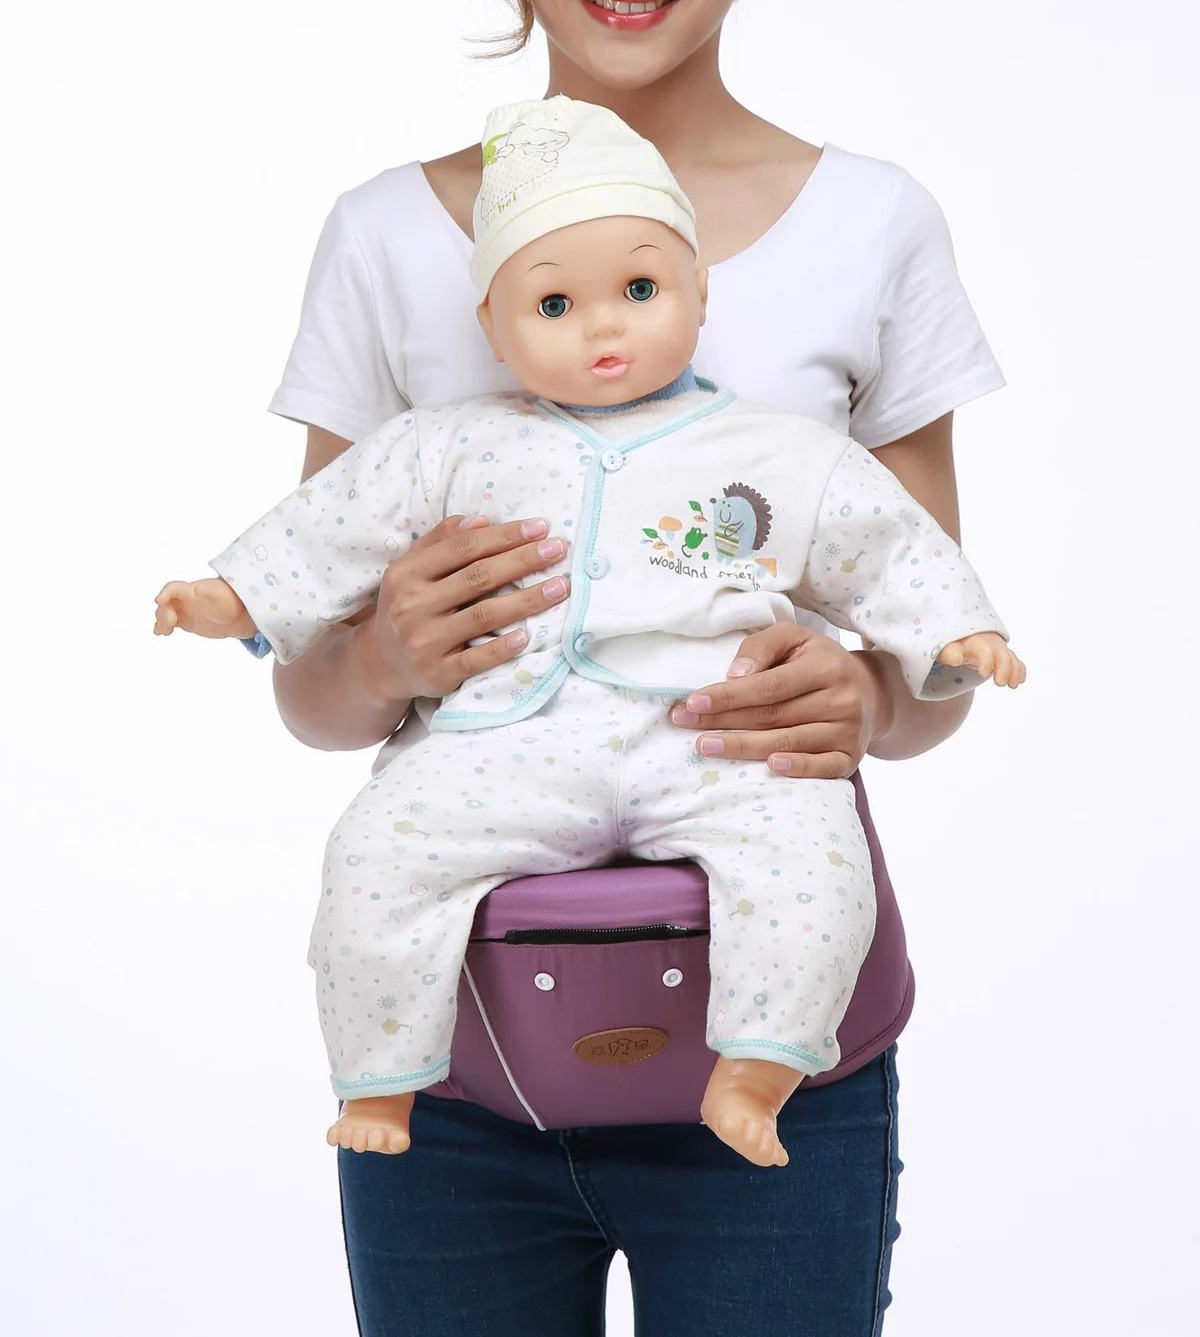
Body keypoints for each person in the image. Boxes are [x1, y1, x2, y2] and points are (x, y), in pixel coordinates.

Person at [218, 0, 1008, 1337]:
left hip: (776, 1057)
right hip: (453, 1070)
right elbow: (312, 693)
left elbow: (932, 664)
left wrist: (866, 695)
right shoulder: (387, 238)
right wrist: (386, 653)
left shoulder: (873, 227)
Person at [155, 96, 1021, 1171]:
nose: (604, 327)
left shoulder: (777, 452)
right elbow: (332, 523)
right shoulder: (446, 444)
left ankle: (759, 1064)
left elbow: (884, 542)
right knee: (379, 854)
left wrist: (950, 636)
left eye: (641, 290)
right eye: (555, 303)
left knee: (808, 854)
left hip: (716, 738)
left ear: (700, 291)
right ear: (493, 327)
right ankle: (380, 1075)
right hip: (504, 744)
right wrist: (236, 595)